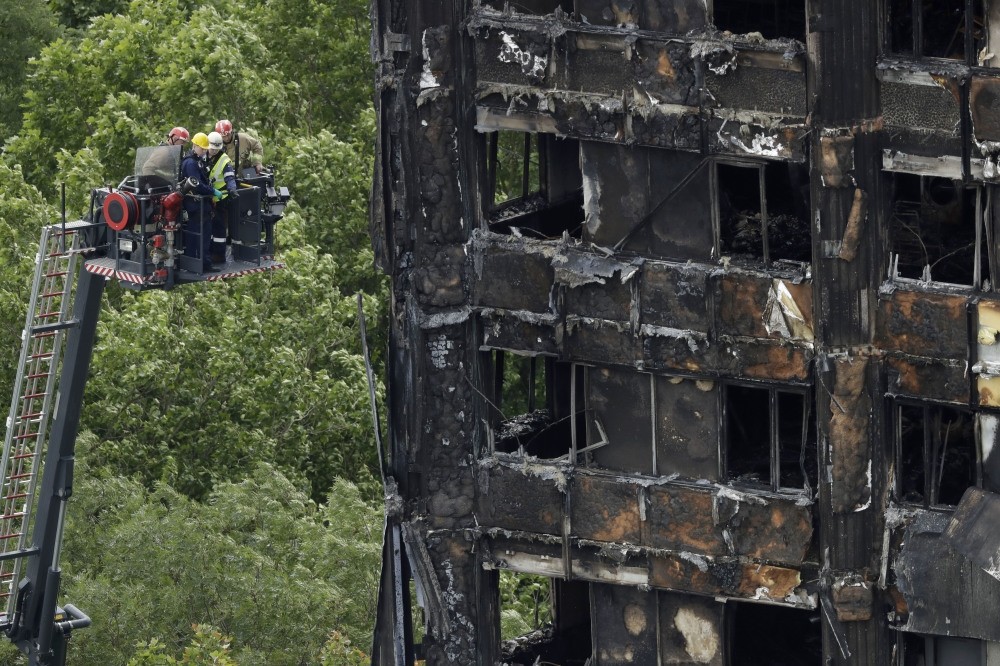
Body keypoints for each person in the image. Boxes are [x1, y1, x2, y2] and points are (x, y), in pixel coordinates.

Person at [180, 132, 221, 272]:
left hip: (201, 205)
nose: (204, 151)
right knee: (197, 237)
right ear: (195, 146)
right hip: (196, 205)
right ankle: (198, 264)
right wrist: (212, 192)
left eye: (205, 149)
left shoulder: (196, 160)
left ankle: (203, 264)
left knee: (202, 236)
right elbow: (196, 184)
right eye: (202, 149)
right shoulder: (190, 163)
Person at [206, 131, 238, 263]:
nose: (213, 151)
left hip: (221, 199)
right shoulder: (204, 156)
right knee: (209, 228)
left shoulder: (224, 160)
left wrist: (232, 189)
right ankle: (209, 252)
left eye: (215, 149)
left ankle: (219, 255)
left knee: (219, 228)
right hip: (208, 197)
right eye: (211, 149)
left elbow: (229, 177)